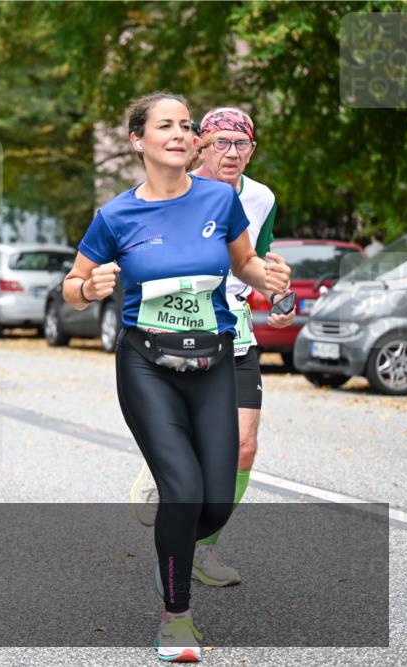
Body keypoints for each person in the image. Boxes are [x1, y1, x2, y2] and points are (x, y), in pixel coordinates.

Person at [63, 92, 291, 662]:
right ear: (138, 140)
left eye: (187, 125)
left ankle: (175, 546)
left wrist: (273, 278)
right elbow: (73, 285)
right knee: (184, 491)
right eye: (165, 125)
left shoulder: (220, 199)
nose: (180, 133)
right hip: (146, 363)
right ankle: (176, 618)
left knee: (213, 504)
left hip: (213, 359)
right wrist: (87, 290)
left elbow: (244, 264)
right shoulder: (115, 215)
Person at [130, 107, 297, 587]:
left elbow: (260, 260)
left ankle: (203, 550)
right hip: (175, 327)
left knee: (243, 445)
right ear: (201, 144)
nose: (231, 153)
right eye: (221, 142)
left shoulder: (261, 197)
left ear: (253, 150)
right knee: (187, 438)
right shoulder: (176, 189)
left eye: (241, 144)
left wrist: (279, 296)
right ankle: (164, 479)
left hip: (235, 330)